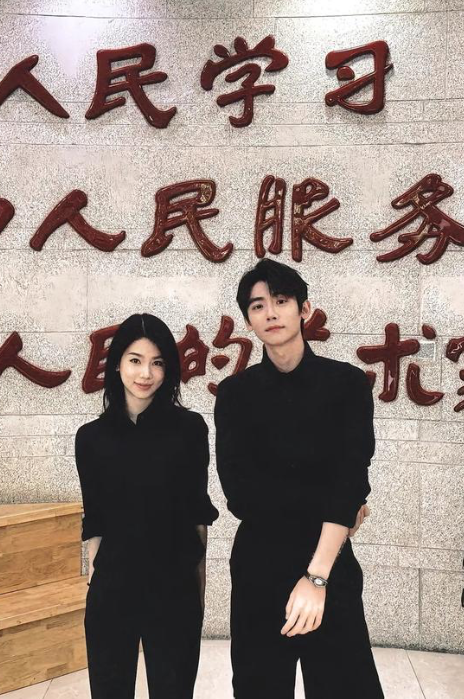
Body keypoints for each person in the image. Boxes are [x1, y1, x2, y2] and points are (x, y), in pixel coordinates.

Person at [214, 258, 384, 699]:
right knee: (259, 688)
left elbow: (351, 478)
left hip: (328, 562)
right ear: (248, 320)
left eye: (281, 301)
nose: (270, 313)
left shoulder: (347, 385)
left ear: (305, 309)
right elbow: (238, 494)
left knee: (346, 687)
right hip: (259, 566)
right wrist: (338, 510)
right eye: (257, 306)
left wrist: (317, 577)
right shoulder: (234, 395)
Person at [74, 312, 219, 699]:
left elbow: (198, 517)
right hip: (113, 589)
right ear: (117, 363)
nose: (145, 373)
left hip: (174, 589)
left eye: (157, 363)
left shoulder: (190, 430)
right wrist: (95, 584)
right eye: (135, 360)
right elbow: (95, 522)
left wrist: (199, 594)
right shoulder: (91, 438)